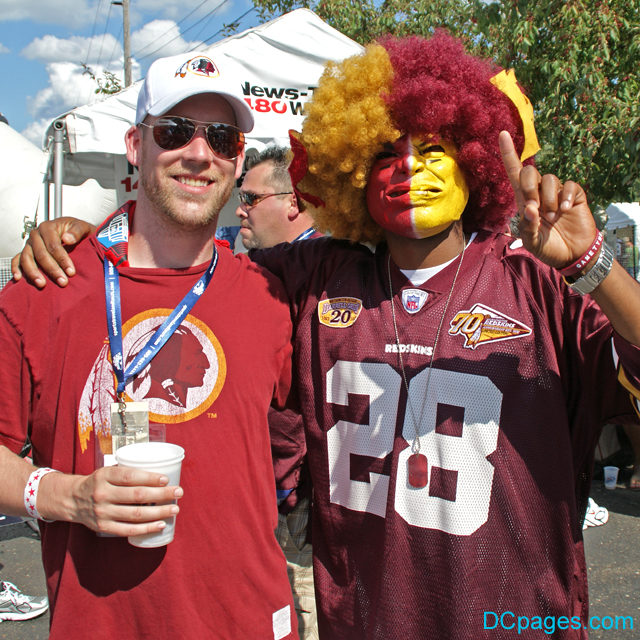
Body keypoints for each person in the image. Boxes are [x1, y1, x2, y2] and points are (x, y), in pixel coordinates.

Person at [14, 34, 640, 639]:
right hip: (360, 623)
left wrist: (595, 265)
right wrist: (88, 240)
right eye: (385, 154)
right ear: (352, 173)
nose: (408, 167)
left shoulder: (540, 284)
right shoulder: (312, 279)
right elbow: (178, 263)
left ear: (474, 164)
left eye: (433, 150)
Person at [0, 51, 298, 640]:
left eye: (221, 138)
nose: (199, 153)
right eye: (175, 131)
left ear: (237, 159)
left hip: (249, 622)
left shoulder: (272, 297)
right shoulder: (44, 289)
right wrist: (65, 496)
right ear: (136, 146)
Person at [238, 145, 322, 640]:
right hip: (273, 491)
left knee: (304, 610)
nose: (240, 210)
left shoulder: (329, 270)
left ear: (293, 202)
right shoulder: (260, 270)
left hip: (303, 500)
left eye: (250, 198)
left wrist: (288, 474)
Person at [236, 145, 317, 250]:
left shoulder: (326, 258)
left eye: (250, 198)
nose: (238, 212)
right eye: (241, 198)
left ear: (292, 204)